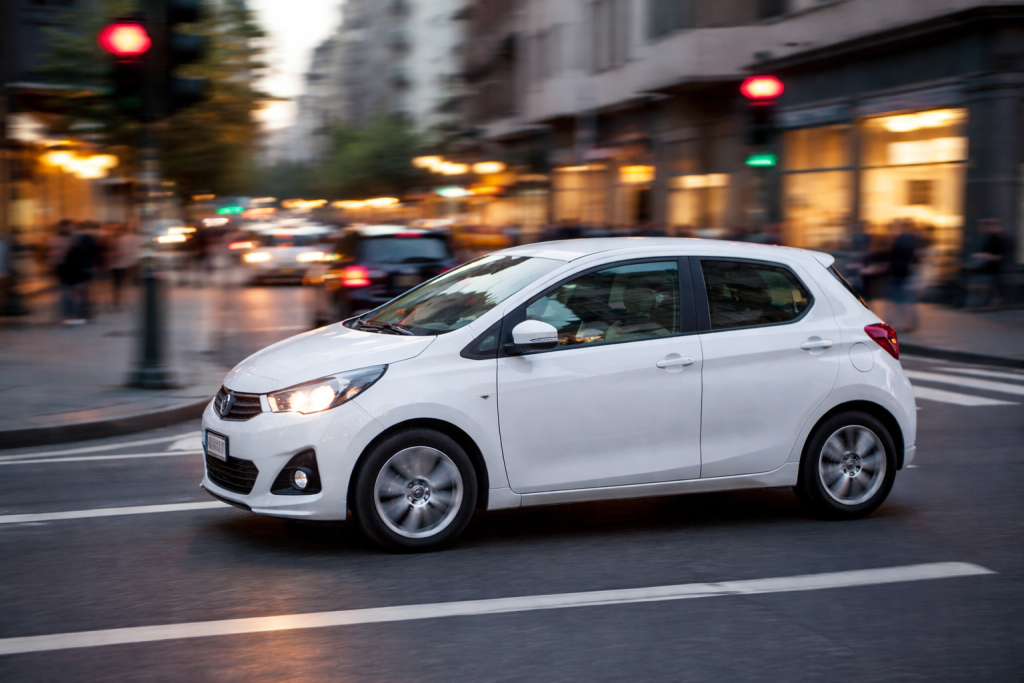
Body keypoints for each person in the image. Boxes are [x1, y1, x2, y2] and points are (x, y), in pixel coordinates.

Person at [59, 222, 99, 324]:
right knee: (83, 294)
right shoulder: (88, 240)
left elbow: (68, 262)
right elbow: (94, 254)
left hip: (76, 273)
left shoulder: (75, 247)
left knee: (76, 295)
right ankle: (85, 315)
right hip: (84, 271)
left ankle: (78, 315)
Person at [886, 219, 919, 332]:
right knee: (903, 299)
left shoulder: (902, 240)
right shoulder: (910, 239)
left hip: (900, 272)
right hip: (903, 272)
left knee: (900, 299)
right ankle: (909, 322)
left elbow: (895, 257)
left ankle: (903, 323)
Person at [968, 218, 1008, 308]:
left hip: (991, 268)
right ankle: (992, 301)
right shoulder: (986, 238)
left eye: (985, 226)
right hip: (984, 267)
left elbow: (999, 256)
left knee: (984, 285)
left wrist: (984, 256)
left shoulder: (998, 239)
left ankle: (983, 303)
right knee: (986, 285)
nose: (982, 228)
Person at [110, 224, 141, 309]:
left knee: (118, 285)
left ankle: (118, 302)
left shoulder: (119, 239)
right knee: (127, 283)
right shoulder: (135, 238)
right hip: (132, 263)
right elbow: (138, 250)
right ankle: (126, 301)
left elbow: (118, 252)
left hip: (120, 264)